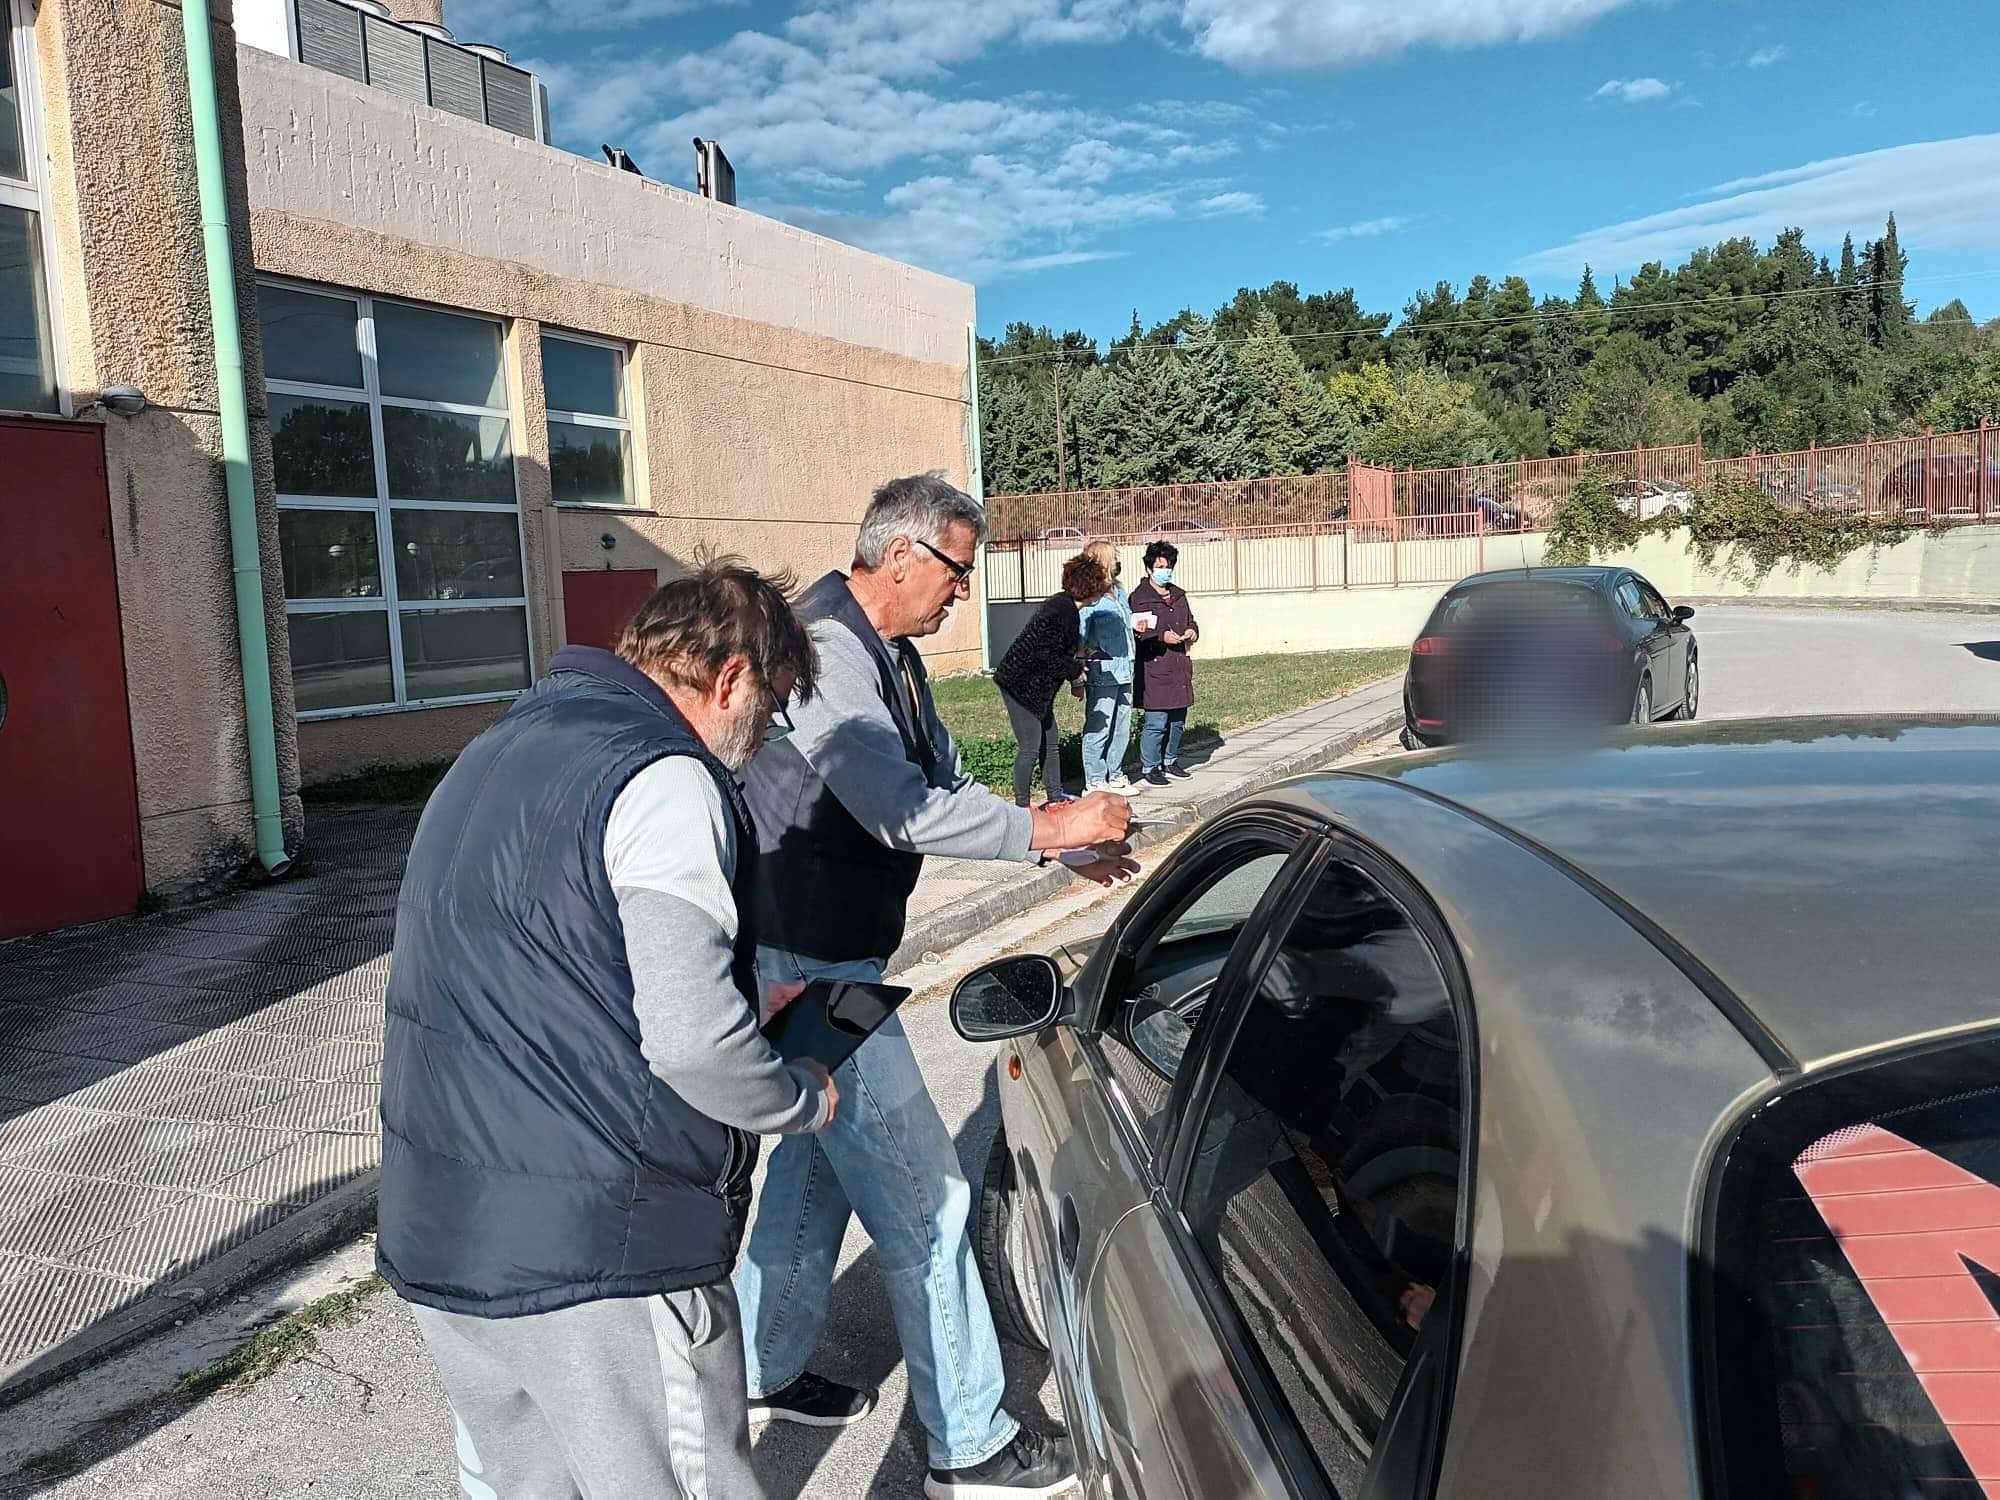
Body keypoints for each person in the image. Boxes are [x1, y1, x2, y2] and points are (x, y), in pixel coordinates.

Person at [377, 560, 839, 1500]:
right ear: (732, 679)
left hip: (446, 1233)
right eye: (773, 711)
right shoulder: (666, 777)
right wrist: (796, 1095)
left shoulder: (497, 747)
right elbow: (693, 1044)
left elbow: (542, 968)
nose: (763, 741)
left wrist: (737, 998)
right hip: (605, 1250)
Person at [741, 473, 1135, 1499]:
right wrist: (1053, 823)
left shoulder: (893, 660)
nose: (964, 591)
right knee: (930, 1200)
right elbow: (897, 810)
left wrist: (1056, 851)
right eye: (958, 571)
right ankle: (970, 1443)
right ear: (903, 555)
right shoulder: (826, 649)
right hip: (807, 964)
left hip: (833, 956)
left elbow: (945, 785)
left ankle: (757, 1364)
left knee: (817, 1167)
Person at [993, 550, 1111, 807]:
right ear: (1089, 587)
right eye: (1100, 584)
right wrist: (1074, 672)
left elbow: (1058, 652)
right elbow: (1045, 653)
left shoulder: (1066, 607)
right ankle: (1022, 807)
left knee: (1051, 741)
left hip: (1037, 687)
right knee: (1030, 746)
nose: (1103, 589)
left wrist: (1076, 674)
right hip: (1019, 685)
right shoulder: (1061, 611)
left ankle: (1055, 799)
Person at [1129, 539, 1200, 788]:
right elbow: (1137, 631)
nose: (1165, 571)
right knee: (1157, 721)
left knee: (1178, 720)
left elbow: (1191, 621)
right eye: (1160, 566)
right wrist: (1161, 636)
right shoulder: (1139, 598)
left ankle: (1170, 760)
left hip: (1179, 664)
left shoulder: (1178, 595)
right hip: (1155, 667)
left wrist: (1192, 631)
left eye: (1168, 566)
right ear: (1149, 569)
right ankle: (1150, 766)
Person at [1077, 540, 1138, 793]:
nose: (1117, 561)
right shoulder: (1090, 597)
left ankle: (1115, 774)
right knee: (1100, 724)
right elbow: (1080, 635)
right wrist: (1078, 673)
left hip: (1126, 666)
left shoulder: (1119, 591)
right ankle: (1095, 779)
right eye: (1113, 557)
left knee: (1122, 725)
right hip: (1103, 669)